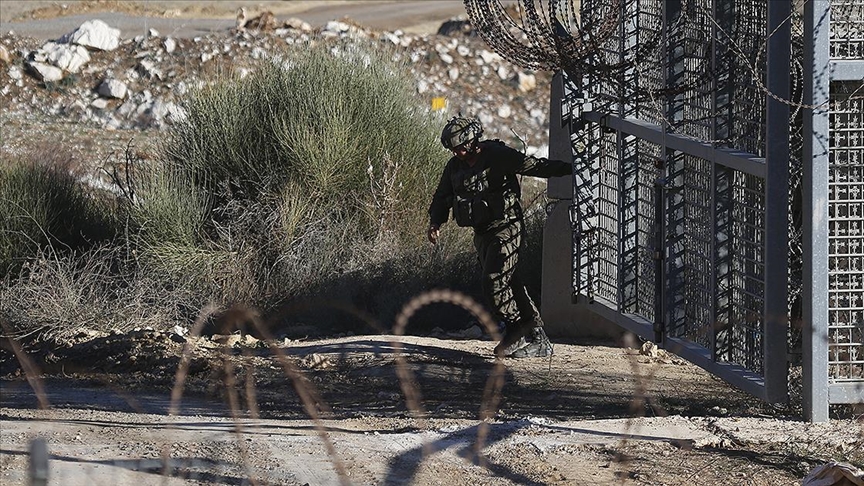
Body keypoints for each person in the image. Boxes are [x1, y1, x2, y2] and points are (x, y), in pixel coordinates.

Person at [427, 116, 572, 358]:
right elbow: (442, 196)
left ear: (471, 142)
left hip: (507, 227)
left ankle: (517, 329)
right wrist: (435, 222)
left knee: (494, 281)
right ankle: (537, 338)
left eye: (460, 148)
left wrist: (571, 168)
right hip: (482, 233)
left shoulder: (497, 155)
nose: (456, 153)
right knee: (510, 282)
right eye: (453, 149)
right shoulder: (455, 167)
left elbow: (536, 167)